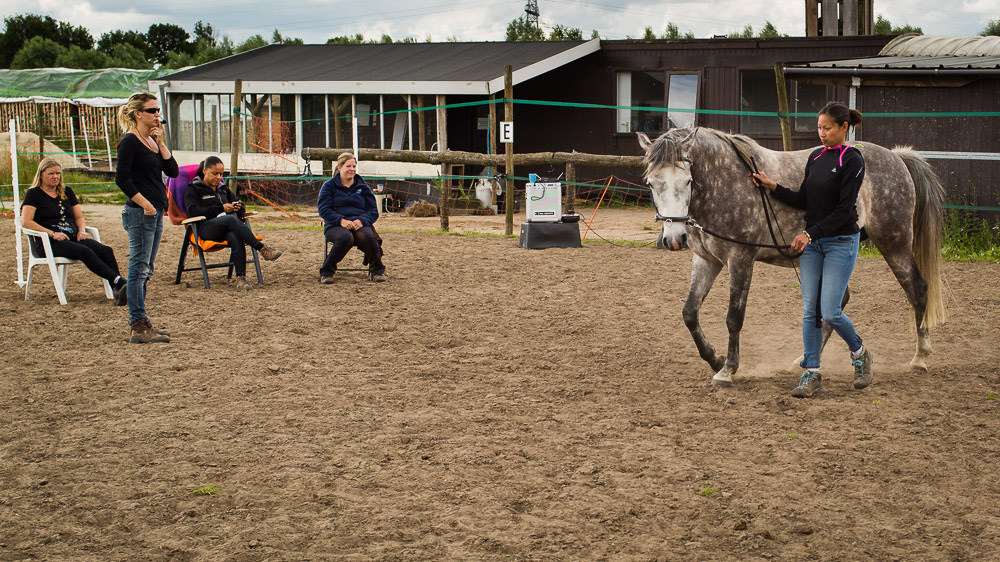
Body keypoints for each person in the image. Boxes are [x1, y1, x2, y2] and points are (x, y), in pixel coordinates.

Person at [751, 101, 874, 398]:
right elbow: (804, 199)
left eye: (827, 128)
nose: (821, 133)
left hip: (841, 242)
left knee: (830, 312)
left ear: (844, 127)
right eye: (819, 127)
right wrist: (772, 186)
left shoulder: (852, 160)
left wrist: (808, 232)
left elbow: (845, 211)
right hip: (814, 245)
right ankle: (812, 374)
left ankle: (860, 354)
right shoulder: (816, 157)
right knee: (810, 312)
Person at [20, 157, 127, 305]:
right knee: (84, 251)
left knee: (106, 250)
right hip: (49, 242)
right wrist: (52, 233)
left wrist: (81, 230)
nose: (55, 176)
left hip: (73, 237)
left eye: (58, 173)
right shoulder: (34, 194)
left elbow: (79, 216)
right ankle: (118, 281)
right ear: (41, 174)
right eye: (51, 173)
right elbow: (26, 221)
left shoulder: (67, 192)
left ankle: (117, 290)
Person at [115, 92, 177, 344]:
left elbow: (172, 170)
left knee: (146, 270)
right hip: (140, 213)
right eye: (152, 111)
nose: (157, 115)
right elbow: (122, 178)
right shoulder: (129, 142)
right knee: (139, 269)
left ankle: (140, 319)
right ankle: (137, 325)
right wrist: (146, 204)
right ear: (138, 113)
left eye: (158, 111)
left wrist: (161, 143)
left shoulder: (151, 140)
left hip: (154, 213)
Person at [183, 156, 282, 290]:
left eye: (221, 174)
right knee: (230, 219)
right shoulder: (194, 189)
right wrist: (221, 208)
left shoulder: (223, 189)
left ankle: (241, 279)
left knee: (235, 236)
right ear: (205, 171)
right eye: (215, 173)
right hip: (206, 229)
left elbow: (241, 206)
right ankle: (261, 248)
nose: (219, 177)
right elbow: (193, 211)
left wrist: (237, 208)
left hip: (227, 228)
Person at [317, 152, 386, 283]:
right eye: (348, 166)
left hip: (359, 223)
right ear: (339, 168)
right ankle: (326, 272)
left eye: (354, 166)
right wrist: (341, 221)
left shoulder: (363, 187)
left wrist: (362, 220)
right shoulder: (329, 186)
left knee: (368, 236)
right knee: (345, 237)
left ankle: (377, 270)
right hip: (335, 225)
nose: (352, 169)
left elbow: (373, 211)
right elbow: (323, 209)